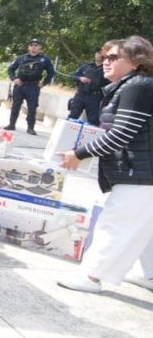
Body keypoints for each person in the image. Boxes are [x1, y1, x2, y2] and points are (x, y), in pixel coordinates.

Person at [58, 36, 153, 294]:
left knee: (115, 223)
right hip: (142, 172)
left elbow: (121, 135)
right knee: (143, 226)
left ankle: (91, 276)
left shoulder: (138, 87)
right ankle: (149, 275)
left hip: (141, 173)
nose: (105, 62)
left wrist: (79, 153)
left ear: (136, 61)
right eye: (104, 57)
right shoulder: (132, 86)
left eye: (113, 57)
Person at [4, 38, 55, 135]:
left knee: (32, 108)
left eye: (36, 45)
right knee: (15, 105)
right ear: (28, 47)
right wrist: (14, 79)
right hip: (20, 85)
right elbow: (11, 69)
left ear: (40, 47)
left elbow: (51, 72)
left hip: (33, 86)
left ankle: (30, 128)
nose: (33, 47)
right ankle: (12, 124)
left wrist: (43, 83)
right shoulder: (21, 58)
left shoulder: (44, 59)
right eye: (31, 45)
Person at [68, 49, 109, 126]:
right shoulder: (86, 66)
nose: (98, 55)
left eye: (100, 53)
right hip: (80, 94)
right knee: (73, 116)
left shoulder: (106, 68)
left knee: (93, 120)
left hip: (95, 97)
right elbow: (73, 76)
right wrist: (80, 78)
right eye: (97, 53)